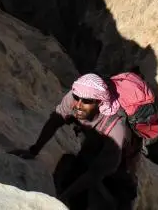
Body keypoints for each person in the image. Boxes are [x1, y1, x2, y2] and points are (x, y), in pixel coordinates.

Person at [10, 73, 140, 210]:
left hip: (119, 162)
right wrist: (33, 150)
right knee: (72, 170)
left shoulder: (115, 127)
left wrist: (63, 197)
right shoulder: (73, 98)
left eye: (86, 101)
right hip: (92, 145)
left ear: (100, 102)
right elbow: (55, 121)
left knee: (117, 196)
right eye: (77, 98)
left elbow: (97, 171)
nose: (78, 105)